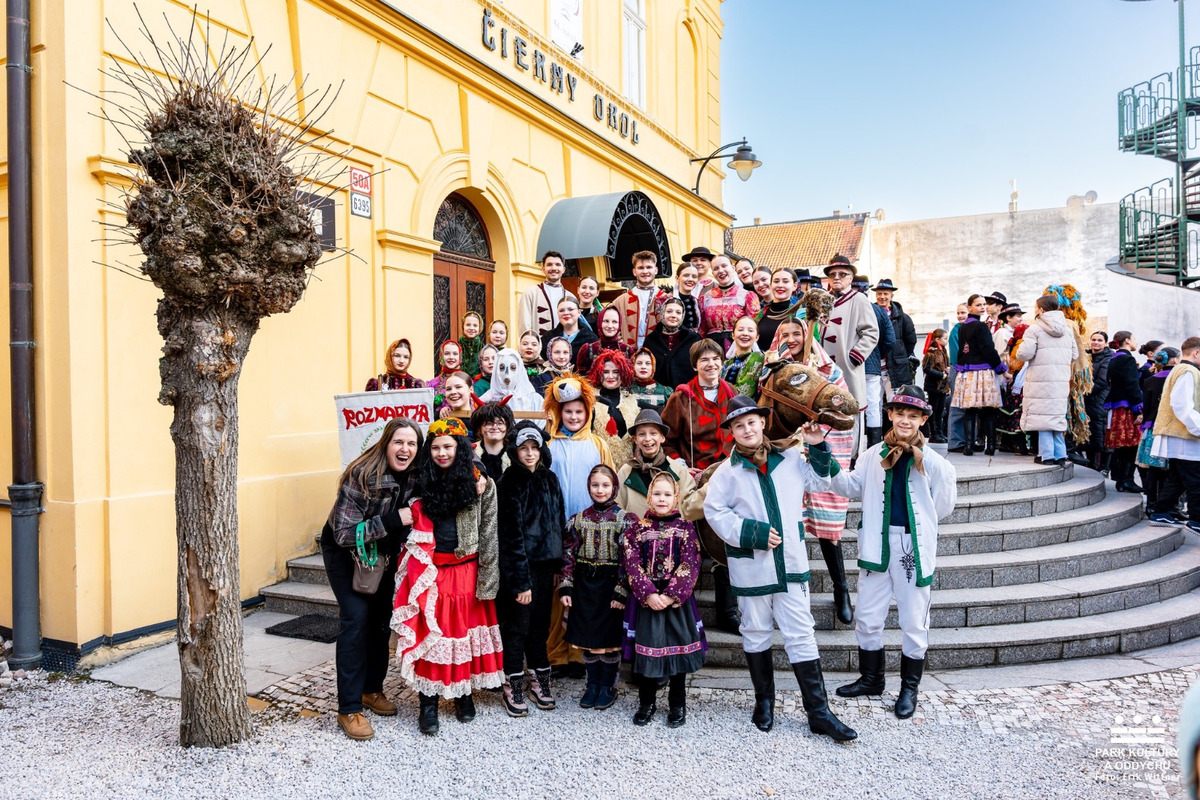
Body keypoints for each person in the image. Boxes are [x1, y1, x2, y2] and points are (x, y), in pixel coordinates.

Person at [703, 395, 856, 740]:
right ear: (731, 432)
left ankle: (819, 712)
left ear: (763, 423)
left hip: (790, 564)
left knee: (801, 633)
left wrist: (817, 446)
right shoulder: (726, 473)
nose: (747, 429)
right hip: (751, 567)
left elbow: (819, 482)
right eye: (739, 425)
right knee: (755, 631)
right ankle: (764, 703)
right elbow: (714, 512)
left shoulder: (789, 458)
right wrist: (751, 533)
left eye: (751, 422)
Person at [829, 386, 957, 720]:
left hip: (911, 547)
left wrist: (919, 529)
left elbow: (942, 506)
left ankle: (909, 688)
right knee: (868, 617)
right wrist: (821, 454)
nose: (905, 420)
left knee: (914, 620)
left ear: (923, 420)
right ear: (889, 415)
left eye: (913, 416)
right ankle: (872, 679)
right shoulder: (872, 455)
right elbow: (849, 486)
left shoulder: (936, 464)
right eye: (899, 413)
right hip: (877, 544)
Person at [391, 417, 503, 736]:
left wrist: (488, 582)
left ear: (461, 449)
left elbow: (489, 533)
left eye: (448, 447)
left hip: (467, 570)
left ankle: (463, 696)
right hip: (431, 571)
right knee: (432, 635)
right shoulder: (419, 481)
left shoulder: (482, 483)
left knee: (463, 636)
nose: (442, 453)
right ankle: (428, 702)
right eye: (436, 447)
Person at [322, 418, 422, 741]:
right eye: (399, 442)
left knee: (381, 620)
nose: (405, 449)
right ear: (385, 444)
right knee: (356, 619)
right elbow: (343, 533)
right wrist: (393, 520)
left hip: (384, 553)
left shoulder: (418, 473)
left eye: (412, 443)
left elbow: (457, 456)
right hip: (345, 552)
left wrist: (479, 477)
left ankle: (371, 690)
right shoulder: (362, 474)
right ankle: (349, 708)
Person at [767, 314, 858, 625]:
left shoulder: (828, 371)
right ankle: (783, 591)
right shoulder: (771, 371)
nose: (791, 339)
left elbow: (842, 412)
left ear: (807, 336)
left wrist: (816, 435)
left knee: (827, 524)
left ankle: (841, 588)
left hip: (819, 448)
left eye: (797, 333)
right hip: (786, 452)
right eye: (785, 334)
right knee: (785, 522)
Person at [621, 471, 706, 728]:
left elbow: (690, 563)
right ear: (649, 497)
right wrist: (649, 594)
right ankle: (646, 703)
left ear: (676, 498)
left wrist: (670, 595)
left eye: (667, 494)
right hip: (648, 600)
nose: (662, 499)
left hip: (676, 600)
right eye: (657, 493)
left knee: (678, 654)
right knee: (648, 653)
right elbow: (632, 563)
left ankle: (677, 704)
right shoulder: (637, 530)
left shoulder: (686, 529)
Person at [543, 374, 615, 674]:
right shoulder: (549, 446)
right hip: (556, 530)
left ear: (588, 413)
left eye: (578, 412)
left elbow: (609, 483)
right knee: (557, 593)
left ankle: (578, 653)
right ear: (559, 413)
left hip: (589, 531)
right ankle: (556, 654)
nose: (573, 417)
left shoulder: (597, 444)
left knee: (582, 593)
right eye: (568, 412)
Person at [496, 421, 567, 716]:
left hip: (545, 567)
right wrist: (520, 582)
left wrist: (558, 565)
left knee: (539, 626)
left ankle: (539, 678)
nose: (529, 454)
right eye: (523, 448)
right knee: (517, 627)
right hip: (521, 569)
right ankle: (512, 682)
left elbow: (558, 522)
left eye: (534, 448)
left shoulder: (550, 478)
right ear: (514, 451)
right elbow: (510, 536)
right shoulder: (510, 482)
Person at [561, 464, 631, 710]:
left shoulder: (625, 521)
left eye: (605, 485)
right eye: (595, 485)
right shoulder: (578, 520)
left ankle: (608, 685)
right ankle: (592, 685)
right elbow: (568, 554)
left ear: (614, 487)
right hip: (585, 587)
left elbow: (629, 559)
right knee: (588, 639)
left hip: (610, 589)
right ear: (588, 487)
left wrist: (621, 590)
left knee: (609, 641)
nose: (600, 490)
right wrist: (567, 586)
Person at [821, 254, 880, 446]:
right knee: (827, 412)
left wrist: (855, 356)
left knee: (851, 412)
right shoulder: (824, 301)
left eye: (842, 274)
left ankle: (853, 456)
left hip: (847, 367)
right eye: (832, 274)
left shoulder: (859, 299)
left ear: (850, 278)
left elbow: (871, 332)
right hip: (825, 370)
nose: (836, 277)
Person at [1016, 295, 1077, 466]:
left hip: (1040, 379)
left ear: (1041, 310)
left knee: (1042, 417)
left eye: (1036, 307)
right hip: (1060, 379)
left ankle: (1046, 455)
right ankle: (1061, 454)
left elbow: (1024, 354)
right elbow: (1074, 355)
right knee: (1055, 417)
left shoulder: (1034, 329)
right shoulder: (1067, 330)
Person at [1148, 336, 1200, 534]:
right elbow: (1182, 405)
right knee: (1196, 480)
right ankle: (1197, 520)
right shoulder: (1187, 371)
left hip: (1181, 435)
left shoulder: (1182, 370)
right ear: (1196, 353)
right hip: (1184, 435)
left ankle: (1161, 512)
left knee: (1178, 478)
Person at [661, 338, 738, 471]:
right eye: (704, 360)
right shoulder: (681, 398)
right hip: (698, 472)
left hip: (731, 467)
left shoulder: (730, 391)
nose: (711, 364)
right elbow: (665, 440)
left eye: (716, 359)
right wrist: (682, 468)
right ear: (694, 366)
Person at [951, 294, 1006, 456]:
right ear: (969, 307)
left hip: (968, 372)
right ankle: (990, 446)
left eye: (983, 304)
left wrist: (961, 367)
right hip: (983, 371)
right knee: (989, 409)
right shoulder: (981, 326)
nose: (982, 307)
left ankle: (968, 446)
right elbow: (988, 349)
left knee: (970, 410)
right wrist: (1000, 368)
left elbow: (962, 350)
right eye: (978, 305)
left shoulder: (963, 327)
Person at [1139, 347, 1180, 513]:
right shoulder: (1178, 378)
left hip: (1152, 427)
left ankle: (1151, 504)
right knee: (1171, 470)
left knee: (1153, 468)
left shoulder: (1150, 380)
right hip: (1172, 428)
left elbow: (1146, 407)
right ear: (1175, 360)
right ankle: (1168, 506)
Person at [1106, 330, 1145, 492]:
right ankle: (1126, 480)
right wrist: (1139, 409)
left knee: (1122, 446)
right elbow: (1132, 386)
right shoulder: (1127, 359)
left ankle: (1121, 480)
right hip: (1128, 407)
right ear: (1127, 341)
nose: (1136, 342)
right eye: (1134, 338)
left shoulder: (1114, 358)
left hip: (1116, 406)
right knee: (1132, 444)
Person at [861, 277, 897, 447]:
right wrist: (876, 354)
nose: (882, 296)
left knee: (853, 407)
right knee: (873, 406)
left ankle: (854, 452)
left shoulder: (843, 308)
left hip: (851, 365)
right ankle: (873, 447)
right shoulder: (878, 311)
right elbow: (889, 340)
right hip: (872, 366)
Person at [698, 254, 760, 352]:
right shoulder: (705, 298)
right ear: (712, 273)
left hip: (740, 347)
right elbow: (702, 330)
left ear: (732, 268)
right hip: (712, 350)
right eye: (716, 268)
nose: (721, 271)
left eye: (724, 266)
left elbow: (755, 327)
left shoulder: (747, 296)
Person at [611, 250, 672, 348]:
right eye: (640, 268)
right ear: (634, 272)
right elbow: (606, 323)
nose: (645, 271)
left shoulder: (666, 299)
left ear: (656, 270)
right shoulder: (620, 301)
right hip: (629, 353)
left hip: (657, 352)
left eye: (649, 267)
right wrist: (616, 339)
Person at [643, 296, 702, 388]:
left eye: (678, 312)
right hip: (658, 393)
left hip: (687, 392)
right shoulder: (651, 340)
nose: (673, 315)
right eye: (669, 311)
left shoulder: (693, 339)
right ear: (662, 313)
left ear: (682, 316)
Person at [874, 279, 917, 400]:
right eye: (879, 294)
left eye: (885, 294)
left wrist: (900, 355)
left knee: (894, 401)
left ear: (891, 296)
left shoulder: (903, 318)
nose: (882, 297)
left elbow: (911, 341)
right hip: (874, 367)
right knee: (874, 403)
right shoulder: (869, 313)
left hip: (896, 368)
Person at [519, 250, 578, 337]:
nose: (554, 268)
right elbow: (524, 326)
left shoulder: (570, 297)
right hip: (540, 344)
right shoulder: (530, 293)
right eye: (549, 265)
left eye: (558, 264)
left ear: (563, 269)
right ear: (543, 269)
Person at [588, 349, 639, 445]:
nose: (611, 376)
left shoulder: (631, 400)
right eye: (606, 372)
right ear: (598, 373)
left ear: (623, 373)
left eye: (616, 372)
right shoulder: (590, 399)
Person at [1081, 331, 1113, 471]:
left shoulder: (1108, 358)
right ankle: (1090, 463)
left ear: (1105, 343)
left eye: (1100, 340)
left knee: (1098, 432)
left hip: (1099, 399)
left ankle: (1099, 467)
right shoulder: (1085, 356)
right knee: (1089, 431)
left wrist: (1081, 389)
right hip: (1086, 398)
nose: (1096, 342)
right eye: (1093, 339)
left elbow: (1102, 381)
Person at [577, 305, 635, 376]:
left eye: (614, 322)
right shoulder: (588, 350)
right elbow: (581, 377)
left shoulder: (627, 350)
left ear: (619, 324)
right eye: (606, 321)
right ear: (600, 322)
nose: (610, 326)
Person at [541, 297, 599, 365]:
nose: (566, 313)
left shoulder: (591, 339)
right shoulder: (547, 338)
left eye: (570, 309)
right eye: (561, 310)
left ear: (579, 312)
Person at [755, 267, 798, 352]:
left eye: (785, 281)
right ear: (771, 285)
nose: (780, 285)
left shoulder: (801, 314)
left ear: (794, 286)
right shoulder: (760, 314)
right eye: (776, 281)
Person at [470, 401, 514, 483]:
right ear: (480, 428)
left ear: (507, 426)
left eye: (500, 423)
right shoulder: (470, 452)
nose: (495, 427)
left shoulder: (515, 453)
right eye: (489, 423)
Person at [946, 302, 970, 450]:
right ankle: (955, 442)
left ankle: (968, 440)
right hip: (959, 369)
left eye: (963, 312)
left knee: (968, 407)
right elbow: (957, 354)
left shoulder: (970, 328)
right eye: (958, 313)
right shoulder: (957, 330)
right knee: (957, 405)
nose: (960, 316)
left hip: (967, 369)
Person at [723, 316, 765, 398]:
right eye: (740, 330)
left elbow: (745, 391)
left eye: (750, 330)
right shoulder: (727, 363)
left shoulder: (758, 357)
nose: (745, 333)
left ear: (757, 337)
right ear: (733, 335)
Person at [922, 329, 950, 443]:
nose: (946, 341)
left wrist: (947, 370)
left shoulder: (943, 351)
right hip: (934, 385)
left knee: (940, 410)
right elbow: (926, 369)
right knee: (934, 409)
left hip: (942, 386)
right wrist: (941, 375)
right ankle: (934, 434)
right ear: (937, 339)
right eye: (945, 339)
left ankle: (939, 432)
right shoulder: (931, 352)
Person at [427, 340, 463, 407]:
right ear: (441, 356)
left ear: (460, 357)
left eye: (455, 354)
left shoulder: (466, 381)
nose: (451, 357)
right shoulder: (432, 384)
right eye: (447, 353)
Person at [672, 262, 703, 332]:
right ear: (677, 278)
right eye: (686, 275)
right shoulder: (665, 300)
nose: (690, 279)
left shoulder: (698, 302)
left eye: (694, 277)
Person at [458, 311, 486, 377]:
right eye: (468, 325)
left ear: (479, 327)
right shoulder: (456, 347)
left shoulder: (484, 349)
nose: (471, 328)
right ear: (463, 326)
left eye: (475, 325)